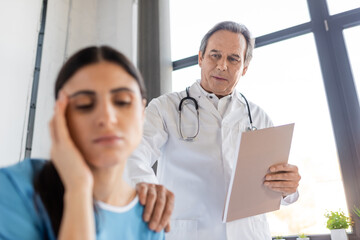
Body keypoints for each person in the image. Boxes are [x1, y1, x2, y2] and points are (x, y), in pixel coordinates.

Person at [125, 21, 301, 240]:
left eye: (233, 58)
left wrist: (289, 187)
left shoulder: (258, 117)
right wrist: (149, 190)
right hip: (190, 233)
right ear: (200, 58)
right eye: (214, 55)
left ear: (244, 67)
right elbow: (133, 153)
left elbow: (279, 185)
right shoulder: (164, 108)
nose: (222, 66)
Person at [0, 46, 173, 239]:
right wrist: (78, 188)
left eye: (122, 101)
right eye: (84, 104)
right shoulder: (13, 188)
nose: (107, 118)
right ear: (61, 117)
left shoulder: (150, 219)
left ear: (142, 113)